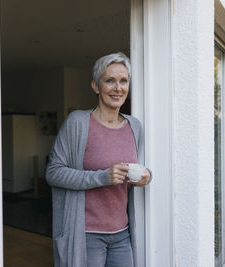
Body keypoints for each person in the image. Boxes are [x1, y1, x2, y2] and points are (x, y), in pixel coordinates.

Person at [46, 52, 151, 267]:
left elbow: (135, 167)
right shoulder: (78, 122)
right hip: (86, 235)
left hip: (122, 233)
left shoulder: (135, 126)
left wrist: (146, 176)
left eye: (123, 81)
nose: (118, 88)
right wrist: (103, 177)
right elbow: (53, 172)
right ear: (95, 86)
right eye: (109, 80)